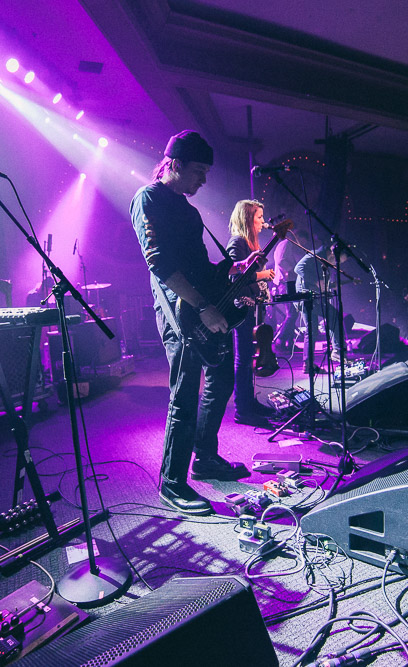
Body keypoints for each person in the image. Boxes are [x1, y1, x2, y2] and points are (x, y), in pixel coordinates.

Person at [130, 131, 260, 515]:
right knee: (184, 395)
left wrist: (235, 270)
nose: (203, 179)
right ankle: (172, 483)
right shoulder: (148, 198)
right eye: (199, 171)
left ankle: (204, 458)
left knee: (221, 381)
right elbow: (159, 263)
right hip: (180, 312)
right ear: (174, 164)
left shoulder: (189, 211)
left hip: (205, 307)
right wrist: (203, 306)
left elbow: (202, 268)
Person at [226, 199, 277, 426]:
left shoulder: (250, 242)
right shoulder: (237, 242)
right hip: (241, 307)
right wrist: (263, 275)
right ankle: (242, 409)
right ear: (247, 219)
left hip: (253, 305)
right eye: (259, 217)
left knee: (249, 358)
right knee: (243, 358)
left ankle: (249, 402)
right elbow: (234, 275)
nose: (263, 221)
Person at [294, 245, 344, 374]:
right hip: (305, 296)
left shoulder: (323, 259)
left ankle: (308, 364)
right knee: (330, 317)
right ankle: (336, 351)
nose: (336, 264)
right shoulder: (316, 255)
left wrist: (329, 285)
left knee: (313, 329)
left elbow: (321, 284)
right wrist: (316, 282)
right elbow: (298, 268)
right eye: (338, 260)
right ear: (332, 254)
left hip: (313, 296)